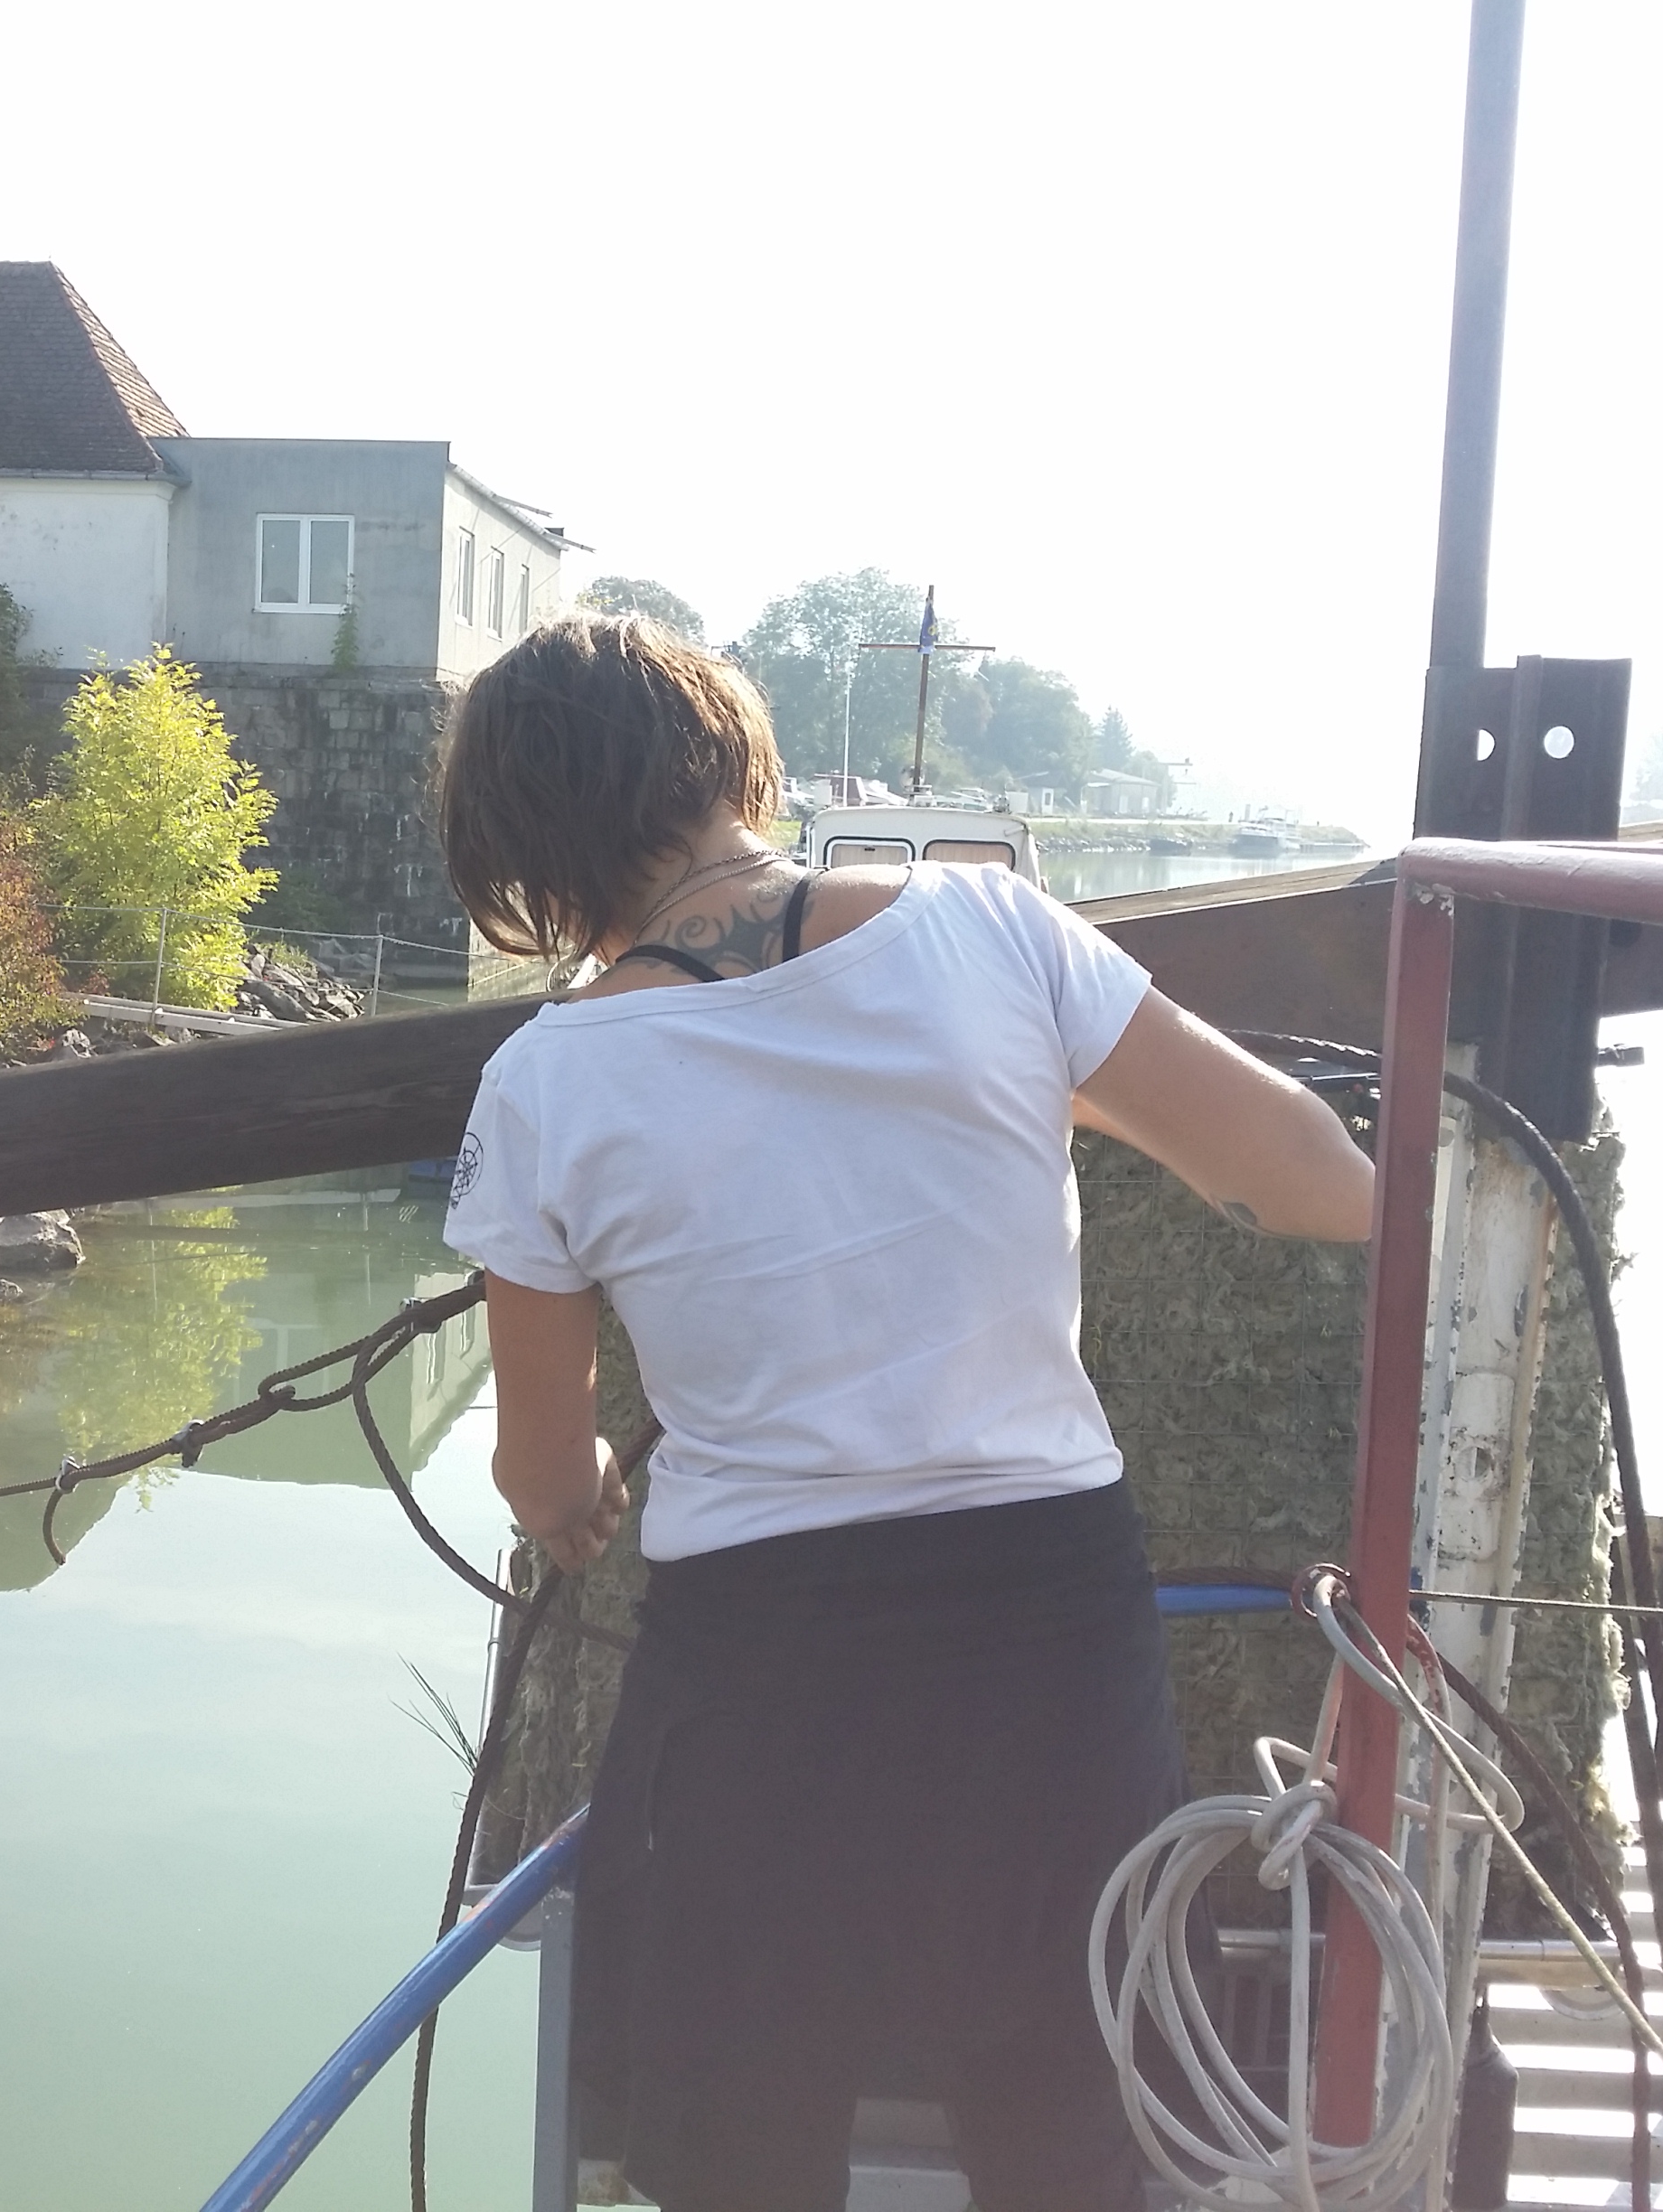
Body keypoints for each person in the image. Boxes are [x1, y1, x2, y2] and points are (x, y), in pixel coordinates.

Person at [435, 618, 1374, 2212]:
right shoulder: (994, 933)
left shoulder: (544, 1084)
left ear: (530, 854)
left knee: (742, 2142)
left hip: (763, 1671)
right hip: (1051, 1645)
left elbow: (539, 1468)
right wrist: (1042, 1093)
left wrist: (585, 1494)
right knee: (1074, 2128)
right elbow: (1313, 1184)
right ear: (726, 756)